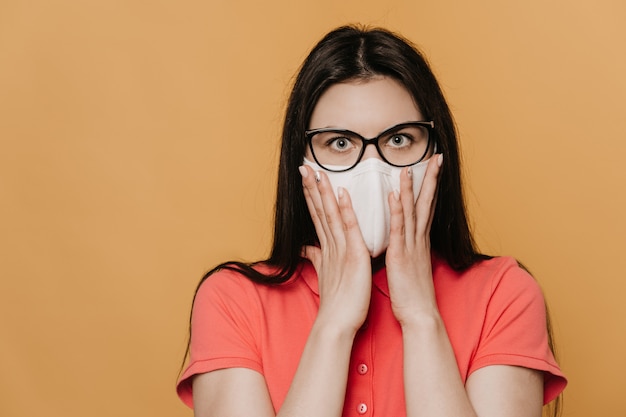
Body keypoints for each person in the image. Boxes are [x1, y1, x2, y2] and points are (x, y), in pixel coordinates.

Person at [176, 25, 567, 417]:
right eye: (340, 143)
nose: (371, 168)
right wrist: (334, 325)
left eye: (398, 139)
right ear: (302, 162)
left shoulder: (503, 295)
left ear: (435, 153)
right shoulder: (232, 301)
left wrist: (420, 317)